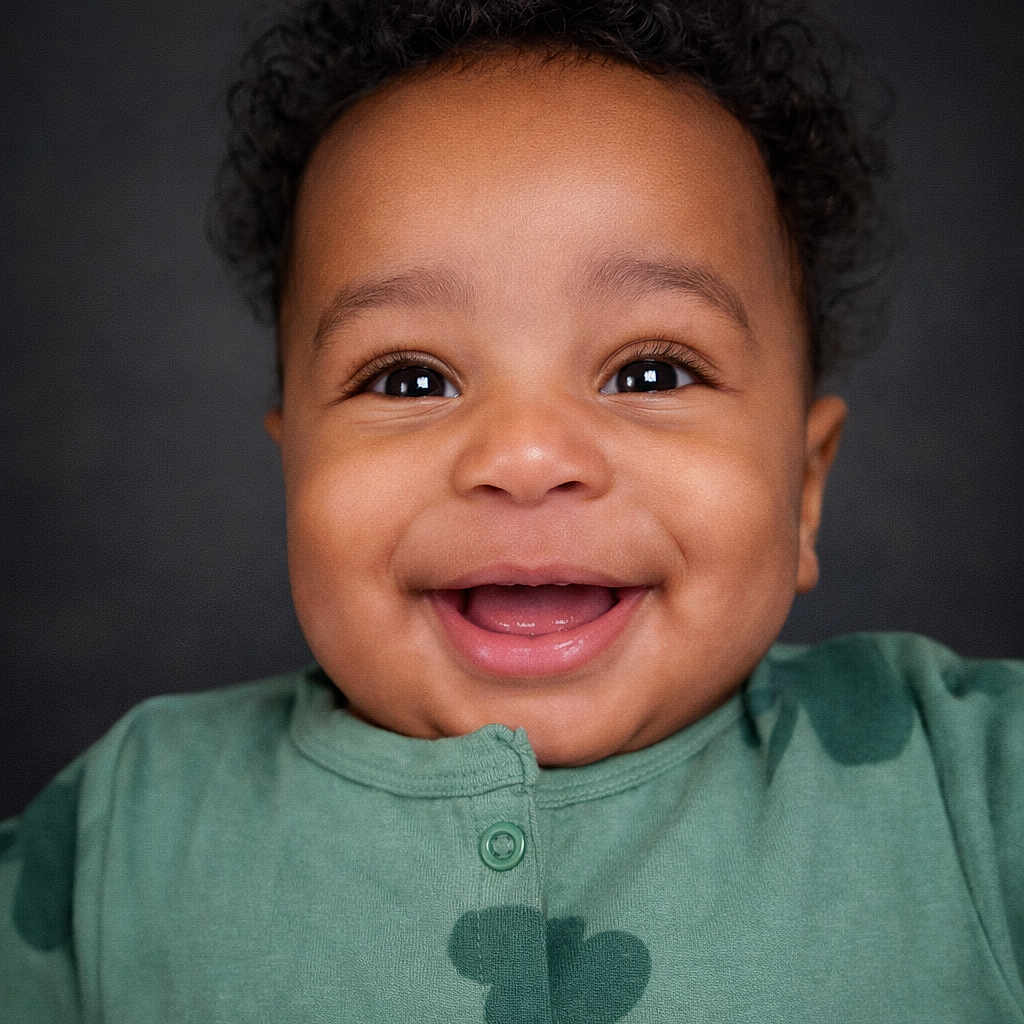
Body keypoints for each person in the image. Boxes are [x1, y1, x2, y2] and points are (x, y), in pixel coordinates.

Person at [2, 0, 1021, 1020]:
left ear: (804, 487)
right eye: (407, 379)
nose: (525, 456)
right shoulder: (129, 825)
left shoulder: (971, 785)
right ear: (292, 470)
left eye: (650, 369)